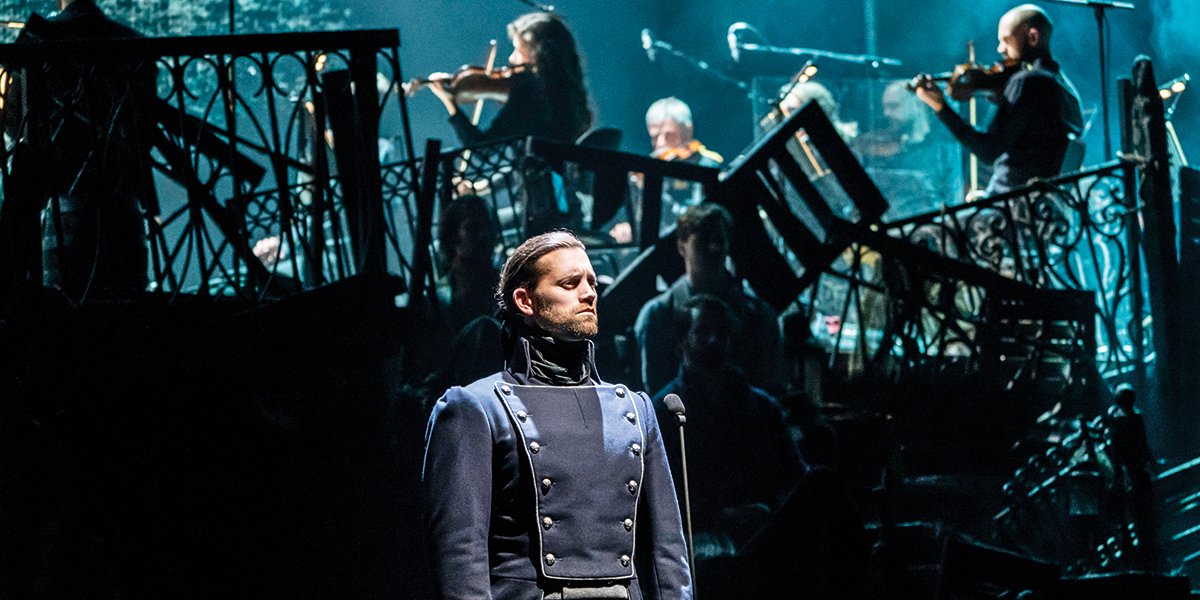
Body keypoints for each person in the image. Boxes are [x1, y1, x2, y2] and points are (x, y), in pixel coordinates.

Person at [423, 230, 692, 600]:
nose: (589, 293)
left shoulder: (634, 408)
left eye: (591, 282)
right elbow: (461, 554)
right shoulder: (475, 408)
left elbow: (668, 554)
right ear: (525, 300)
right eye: (570, 283)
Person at [0, 0, 155, 301]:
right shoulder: (133, 42)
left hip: (57, 181)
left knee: (23, 174)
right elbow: (144, 128)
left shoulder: (39, 38)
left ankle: (12, 292)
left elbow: (16, 120)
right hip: (119, 186)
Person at [652, 295, 805, 558]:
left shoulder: (763, 408)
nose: (715, 340)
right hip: (701, 534)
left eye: (722, 332)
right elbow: (659, 498)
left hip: (763, 526)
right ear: (681, 341)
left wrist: (776, 513)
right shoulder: (663, 413)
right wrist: (720, 517)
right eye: (703, 331)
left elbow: (794, 477)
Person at [912, 3, 1083, 195]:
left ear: (1033, 37)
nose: (1000, 49)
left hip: (1011, 203)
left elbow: (987, 151)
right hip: (1040, 203)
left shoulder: (1027, 82)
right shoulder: (1064, 86)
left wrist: (941, 107)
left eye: (1005, 41)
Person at [634, 203, 784, 396]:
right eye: (702, 241)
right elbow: (654, 391)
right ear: (682, 247)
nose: (713, 248)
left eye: (719, 240)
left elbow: (769, 384)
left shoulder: (759, 316)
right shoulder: (657, 316)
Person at [426, 11, 595, 146]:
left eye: (518, 51)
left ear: (536, 54)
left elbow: (482, 147)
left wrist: (450, 103)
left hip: (536, 178)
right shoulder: (569, 93)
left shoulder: (527, 92)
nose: (511, 59)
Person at [609, 97, 723, 243]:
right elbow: (630, 215)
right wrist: (629, 226)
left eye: (669, 135)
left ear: (688, 130)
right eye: (655, 137)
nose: (661, 143)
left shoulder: (707, 165)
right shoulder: (645, 170)